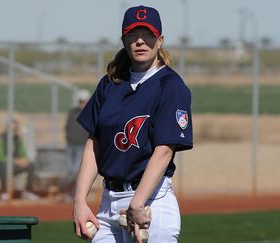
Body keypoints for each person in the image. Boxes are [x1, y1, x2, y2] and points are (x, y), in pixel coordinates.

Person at [73, 5, 193, 243]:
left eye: (147, 34)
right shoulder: (110, 84)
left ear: (159, 40)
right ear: (124, 40)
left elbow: (164, 151)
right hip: (108, 202)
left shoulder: (170, 85)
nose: (140, 41)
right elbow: (94, 144)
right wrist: (79, 200)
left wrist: (138, 203)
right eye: (132, 35)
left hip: (150, 202)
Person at [0, 119, 39, 201]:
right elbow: (0, 157)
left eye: (17, 129)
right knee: (5, 166)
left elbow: (23, 154)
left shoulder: (18, 139)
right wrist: (15, 161)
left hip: (14, 165)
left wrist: (24, 161)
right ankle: (4, 193)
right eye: (14, 129)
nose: (16, 131)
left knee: (31, 165)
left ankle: (28, 192)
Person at [59, 89, 90, 200]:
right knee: (70, 169)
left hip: (81, 145)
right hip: (70, 144)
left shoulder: (90, 112)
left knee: (75, 170)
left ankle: (64, 189)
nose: (82, 103)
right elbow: (68, 126)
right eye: (81, 101)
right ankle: (67, 191)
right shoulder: (73, 112)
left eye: (84, 101)